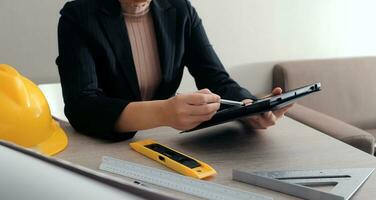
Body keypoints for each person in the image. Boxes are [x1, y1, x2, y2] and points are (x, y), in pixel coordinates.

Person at [56, 0, 292, 140]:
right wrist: (163, 113)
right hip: (103, 146)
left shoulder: (179, 9)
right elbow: (82, 107)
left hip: (160, 144)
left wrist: (249, 108)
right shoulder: (78, 16)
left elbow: (216, 79)